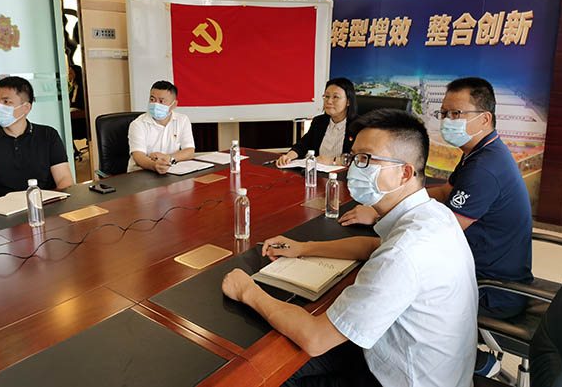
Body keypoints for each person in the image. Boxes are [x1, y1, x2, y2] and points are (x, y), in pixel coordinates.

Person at [223, 109, 478, 387]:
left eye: (366, 159)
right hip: (429, 367)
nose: (355, 168)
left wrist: (247, 291)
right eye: (354, 157)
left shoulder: (403, 254)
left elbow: (315, 338)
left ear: (404, 173)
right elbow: (373, 246)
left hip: (401, 379)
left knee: (264, 374)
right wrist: (303, 248)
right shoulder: (433, 215)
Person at [340, 77, 533, 377]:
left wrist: (379, 214)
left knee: (386, 289)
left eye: (456, 114)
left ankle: (469, 358)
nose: (447, 121)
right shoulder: (480, 152)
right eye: (444, 113)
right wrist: (392, 198)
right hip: (483, 266)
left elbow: (435, 232)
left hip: (492, 287)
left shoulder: (485, 168)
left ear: (485, 119)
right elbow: (444, 192)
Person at [0, 77, 74, 209]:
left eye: (6, 102)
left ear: (26, 108)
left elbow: (64, 180)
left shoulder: (48, 135)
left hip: (41, 209)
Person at [276, 78, 357, 167]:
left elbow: (360, 159)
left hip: (344, 173)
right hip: (318, 171)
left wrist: (331, 161)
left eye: (335, 97)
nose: (329, 101)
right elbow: (303, 145)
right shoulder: (319, 122)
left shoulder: (358, 126)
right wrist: (289, 156)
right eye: (327, 96)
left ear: (348, 101)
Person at [127, 80, 195, 174]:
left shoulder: (182, 120)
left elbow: (189, 151)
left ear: (174, 105)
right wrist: (155, 165)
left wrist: (169, 158)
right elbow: (139, 157)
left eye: (161, 101)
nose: (155, 104)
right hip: (142, 173)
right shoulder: (138, 124)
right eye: (152, 99)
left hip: (170, 171)